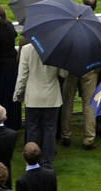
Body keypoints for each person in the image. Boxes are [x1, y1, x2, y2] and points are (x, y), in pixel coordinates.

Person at [13, 36, 66, 166]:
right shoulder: (57, 50)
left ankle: (32, 162)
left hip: (33, 96)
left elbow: (22, 75)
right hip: (51, 97)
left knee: (32, 129)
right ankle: (47, 163)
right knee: (49, 130)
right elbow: (64, 74)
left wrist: (17, 93)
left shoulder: (26, 49)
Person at [60, 0, 101, 151]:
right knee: (89, 104)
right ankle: (89, 138)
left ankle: (66, 135)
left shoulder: (71, 22)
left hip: (71, 67)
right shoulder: (96, 25)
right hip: (90, 68)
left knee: (68, 102)